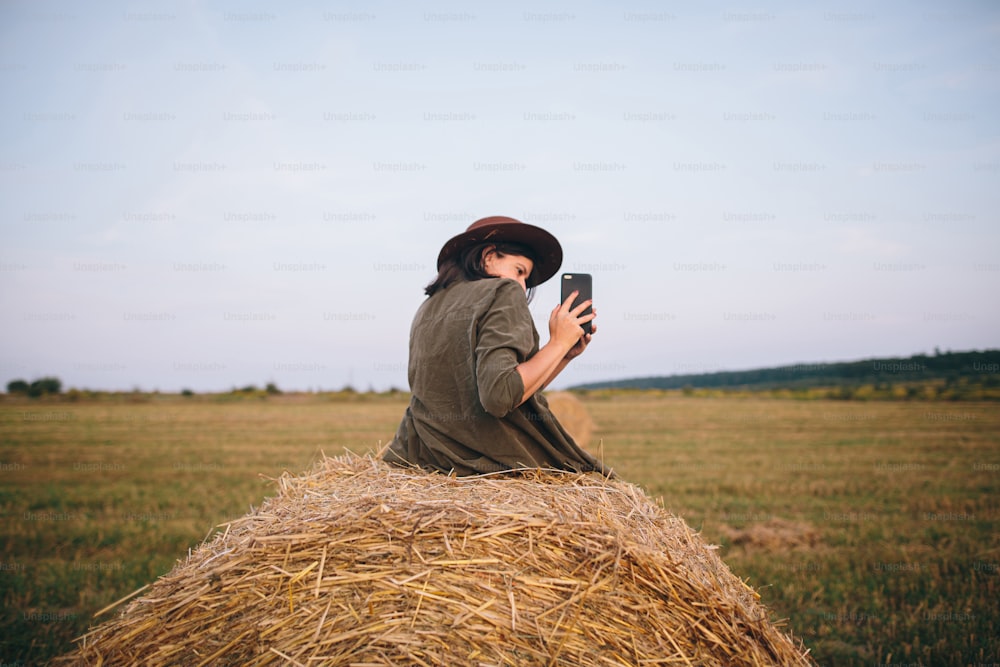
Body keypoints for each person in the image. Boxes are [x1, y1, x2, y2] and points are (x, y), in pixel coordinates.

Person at [383, 215, 611, 476]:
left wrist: (562, 355)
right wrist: (557, 342)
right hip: (482, 460)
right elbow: (500, 396)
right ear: (489, 256)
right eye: (519, 270)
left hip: (426, 457)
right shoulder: (503, 292)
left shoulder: (429, 306)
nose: (521, 285)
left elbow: (510, 389)